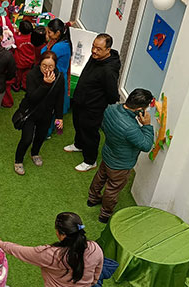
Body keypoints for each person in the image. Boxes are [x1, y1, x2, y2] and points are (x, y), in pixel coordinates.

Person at [88, 88, 155, 223]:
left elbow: (104, 126)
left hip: (108, 153)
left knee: (100, 177)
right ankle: (105, 214)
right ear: (139, 109)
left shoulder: (111, 109)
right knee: (112, 189)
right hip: (121, 164)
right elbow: (146, 145)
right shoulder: (131, 128)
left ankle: (92, 199)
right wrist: (147, 125)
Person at [65, 33, 121, 172]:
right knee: (78, 124)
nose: (94, 51)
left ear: (108, 50)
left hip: (92, 108)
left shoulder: (109, 70)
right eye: (93, 47)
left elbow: (112, 95)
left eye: (99, 49)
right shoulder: (95, 57)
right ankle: (79, 144)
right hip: (80, 100)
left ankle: (90, 161)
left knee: (89, 133)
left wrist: (96, 102)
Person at [13, 52, 65, 175]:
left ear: (55, 66)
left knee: (41, 136)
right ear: (39, 64)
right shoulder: (32, 75)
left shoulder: (59, 78)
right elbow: (32, 98)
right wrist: (45, 84)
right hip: (30, 113)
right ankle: (18, 161)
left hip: (46, 114)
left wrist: (59, 117)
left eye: (50, 67)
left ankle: (35, 153)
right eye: (44, 66)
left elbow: (59, 98)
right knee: (26, 139)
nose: (47, 69)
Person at [41, 19, 73, 115]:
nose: (48, 35)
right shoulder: (64, 42)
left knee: (52, 106)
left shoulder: (58, 47)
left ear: (58, 33)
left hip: (56, 78)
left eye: (49, 32)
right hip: (61, 76)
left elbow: (44, 55)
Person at [12, 20, 37, 92]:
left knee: (18, 75)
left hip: (20, 62)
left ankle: (17, 86)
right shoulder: (33, 38)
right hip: (30, 61)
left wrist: (15, 32)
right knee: (26, 75)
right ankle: (25, 86)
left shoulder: (17, 38)